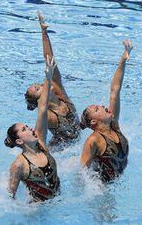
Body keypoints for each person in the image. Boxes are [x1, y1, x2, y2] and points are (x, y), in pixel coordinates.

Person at [5, 56, 60, 202]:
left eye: (27, 127)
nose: (30, 129)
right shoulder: (19, 165)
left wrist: (48, 77)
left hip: (59, 202)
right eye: (24, 129)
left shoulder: (41, 143)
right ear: (19, 140)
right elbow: (10, 197)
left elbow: (42, 108)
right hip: (37, 210)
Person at [24, 12, 80, 147]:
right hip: (61, 150)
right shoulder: (48, 116)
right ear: (39, 99)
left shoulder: (60, 94)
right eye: (37, 89)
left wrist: (44, 32)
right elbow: (38, 135)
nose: (42, 85)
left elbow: (50, 59)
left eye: (38, 84)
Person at [80, 40, 132, 183]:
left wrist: (123, 59)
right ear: (93, 121)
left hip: (119, 182)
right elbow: (82, 171)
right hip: (103, 188)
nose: (103, 106)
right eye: (97, 109)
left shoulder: (114, 125)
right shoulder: (94, 140)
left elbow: (115, 90)